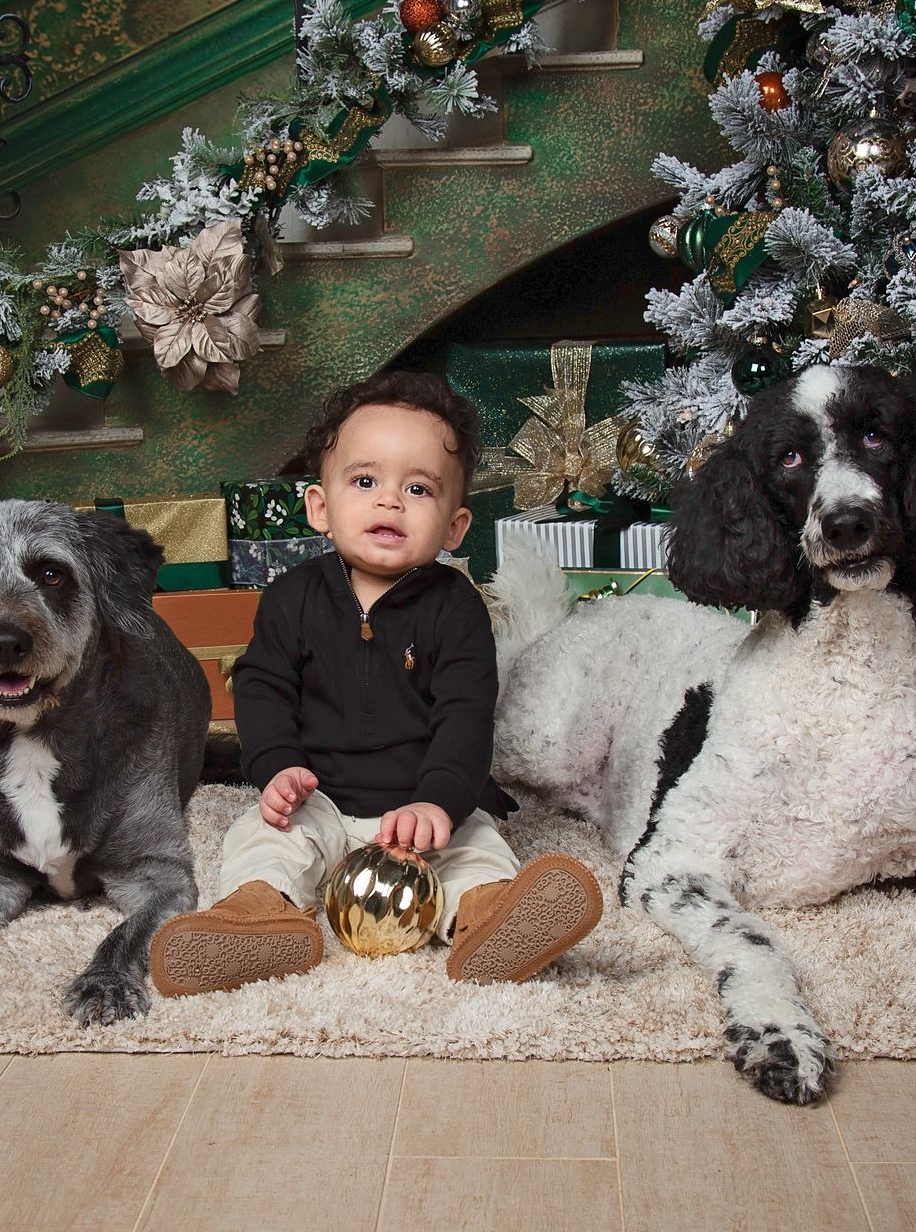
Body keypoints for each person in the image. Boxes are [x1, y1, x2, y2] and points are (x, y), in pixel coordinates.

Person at [149, 371, 603, 996]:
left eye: (418, 488)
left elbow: (466, 716)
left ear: (454, 526)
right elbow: (261, 687)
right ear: (320, 507)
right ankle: (257, 918)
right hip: (321, 798)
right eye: (365, 481)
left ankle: (492, 920)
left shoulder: (458, 607)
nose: (390, 501)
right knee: (263, 839)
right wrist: (278, 767)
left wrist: (438, 802)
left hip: (422, 804)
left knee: (476, 847)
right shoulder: (290, 597)